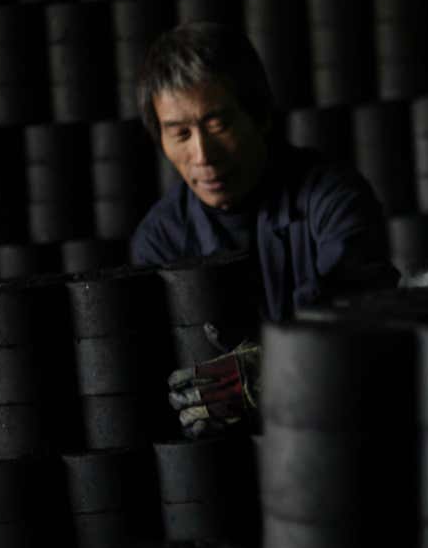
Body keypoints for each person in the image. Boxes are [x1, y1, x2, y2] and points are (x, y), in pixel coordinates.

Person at [130, 22, 398, 435]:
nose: (203, 155)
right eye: (180, 133)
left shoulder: (332, 198)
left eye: (217, 123)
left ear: (260, 114)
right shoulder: (159, 241)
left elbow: (372, 326)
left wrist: (275, 366)